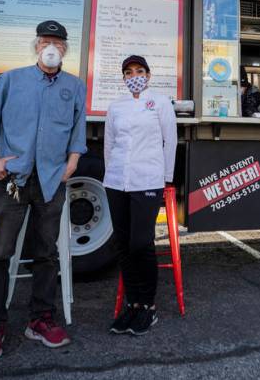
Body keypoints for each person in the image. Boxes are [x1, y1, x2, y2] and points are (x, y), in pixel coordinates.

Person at [0, 19, 87, 362]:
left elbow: (79, 127)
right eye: (46, 41)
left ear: (66, 49)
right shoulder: (10, 80)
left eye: (58, 42)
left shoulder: (74, 86)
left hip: (51, 180)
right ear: (36, 46)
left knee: (46, 253)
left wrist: (73, 163)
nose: (52, 47)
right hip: (13, 180)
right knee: (0, 254)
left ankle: (40, 319)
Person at [103, 54, 177, 335]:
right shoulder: (116, 106)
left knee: (141, 243)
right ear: (123, 77)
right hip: (117, 181)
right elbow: (109, 143)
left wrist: (166, 177)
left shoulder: (159, 102)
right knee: (122, 245)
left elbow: (170, 140)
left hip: (147, 179)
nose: (134, 75)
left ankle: (148, 306)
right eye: (129, 71)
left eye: (139, 70)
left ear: (148, 74)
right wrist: (112, 175)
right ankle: (131, 305)